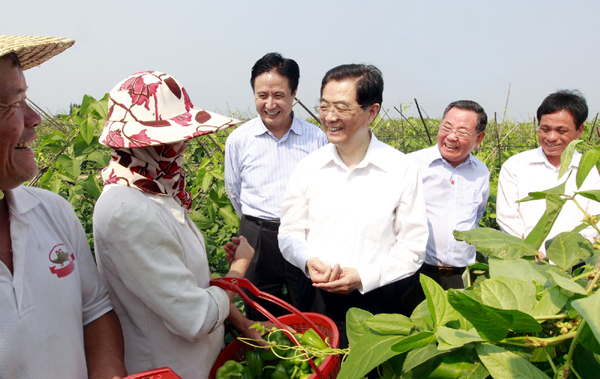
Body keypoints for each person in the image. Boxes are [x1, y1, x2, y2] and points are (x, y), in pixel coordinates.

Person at [93, 71, 262, 378]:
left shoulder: (153, 189)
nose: (183, 145)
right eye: (172, 138)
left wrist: (242, 321)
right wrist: (240, 266)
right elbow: (195, 317)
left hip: (194, 363)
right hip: (167, 367)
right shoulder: (126, 210)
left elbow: (184, 282)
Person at [0, 35, 126, 378]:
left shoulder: (52, 212)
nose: (34, 118)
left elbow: (94, 310)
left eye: (26, 99)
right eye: (13, 104)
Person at [278, 64, 428, 346]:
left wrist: (362, 277)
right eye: (324, 106)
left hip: (378, 299)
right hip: (318, 295)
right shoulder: (309, 167)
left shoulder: (401, 169)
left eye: (342, 108)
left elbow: (412, 247)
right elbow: (289, 233)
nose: (330, 117)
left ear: (372, 111)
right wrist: (308, 261)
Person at [224, 52, 328, 320]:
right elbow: (234, 190)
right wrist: (255, 225)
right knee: (259, 311)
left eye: (279, 95)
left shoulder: (316, 138)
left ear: (294, 93)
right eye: (262, 95)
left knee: (308, 308)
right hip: (256, 237)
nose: (270, 104)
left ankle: (311, 361)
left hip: (305, 235)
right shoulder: (240, 139)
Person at [497, 90, 600, 255]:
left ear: (579, 131)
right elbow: (507, 218)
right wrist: (529, 252)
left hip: (576, 263)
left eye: (561, 131)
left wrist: (571, 255)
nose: (551, 137)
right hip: (525, 260)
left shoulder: (591, 169)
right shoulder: (516, 165)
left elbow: (595, 221)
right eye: (545, 129)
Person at [410, 100, 489, 290]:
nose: (451, 137)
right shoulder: (412, 165)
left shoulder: (481, 172)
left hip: (461, 277)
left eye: (462, 132)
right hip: (416, 275)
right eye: (447, 127)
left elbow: (477, 215)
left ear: (479, 138)